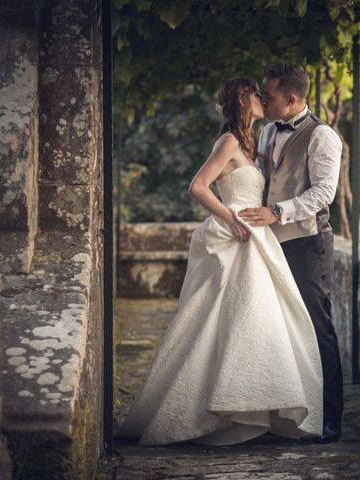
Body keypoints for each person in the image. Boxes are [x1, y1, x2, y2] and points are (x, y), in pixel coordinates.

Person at [114, 76, 323, 446]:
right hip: (236, 234)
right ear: (242, 102)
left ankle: (256, 403)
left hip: (255, 238)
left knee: (254, 318)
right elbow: (198, 186)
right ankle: (215, 407)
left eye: (263, 94)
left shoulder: (253, 141)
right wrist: (232, 218)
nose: (261, 98)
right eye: (254, 94)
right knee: (221, 317)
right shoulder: (228, 141)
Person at [238, 62, 344, 443]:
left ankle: (329, 419)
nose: (263, 100)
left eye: (268, 95)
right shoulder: (267, 131)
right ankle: (284, 414)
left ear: (292, 99)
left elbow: (322, 194)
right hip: (267, 244)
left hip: (306, 243)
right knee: (277, 329)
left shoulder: (323, 136)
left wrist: (278, 212)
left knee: (316, 328)